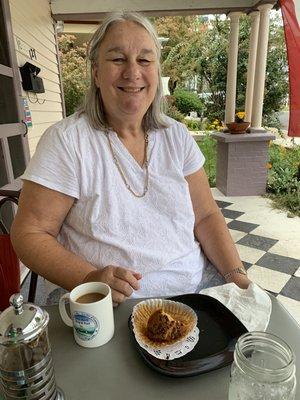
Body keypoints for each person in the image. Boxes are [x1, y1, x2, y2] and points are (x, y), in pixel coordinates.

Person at [11, 12, 251, 306]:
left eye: (145, 60)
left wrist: (236, 275)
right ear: (96, 73)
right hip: (110, 304)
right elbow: (30, 233)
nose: (132, 72)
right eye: (117, 59)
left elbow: (206, 216)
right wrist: (89, 279)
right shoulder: (67, 140)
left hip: (195, 289)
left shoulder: (176, 135)